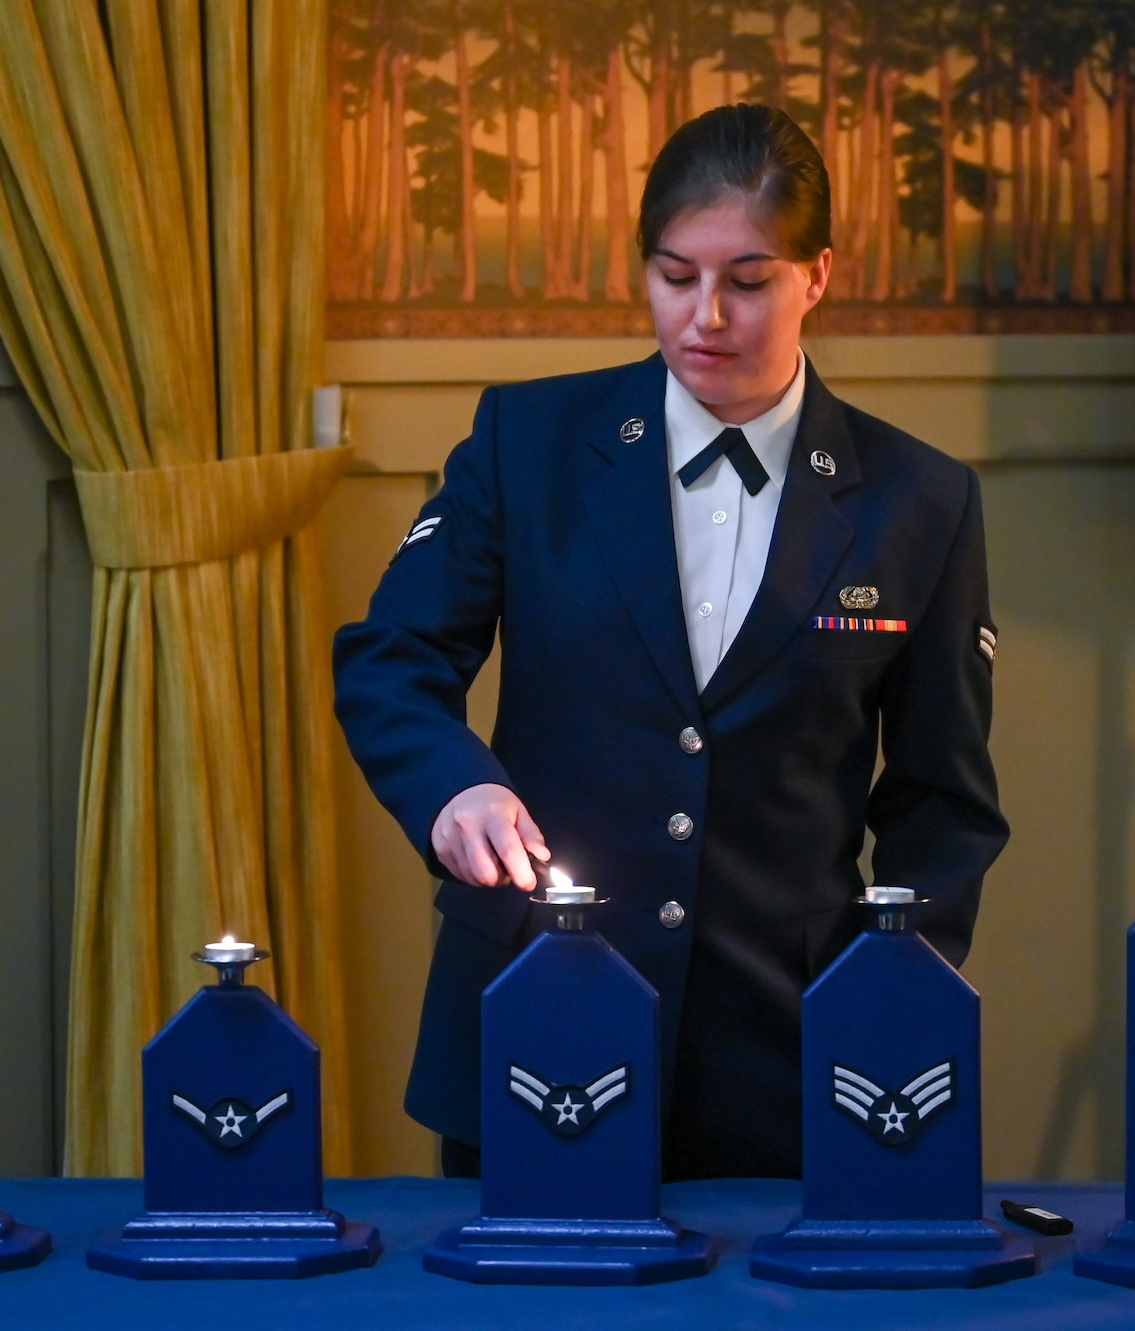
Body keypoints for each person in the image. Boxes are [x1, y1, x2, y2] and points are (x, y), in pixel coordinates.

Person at [332, 103, 1006, 1182]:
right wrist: (451, 789)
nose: (704, 317)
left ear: (816, 275)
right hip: (533, 1015)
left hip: (785, 1059)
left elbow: (943, 804)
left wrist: (887, 999)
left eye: (746, 280)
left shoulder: (920, 499)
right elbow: (391, 656)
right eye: (671, 275)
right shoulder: (527, 441)